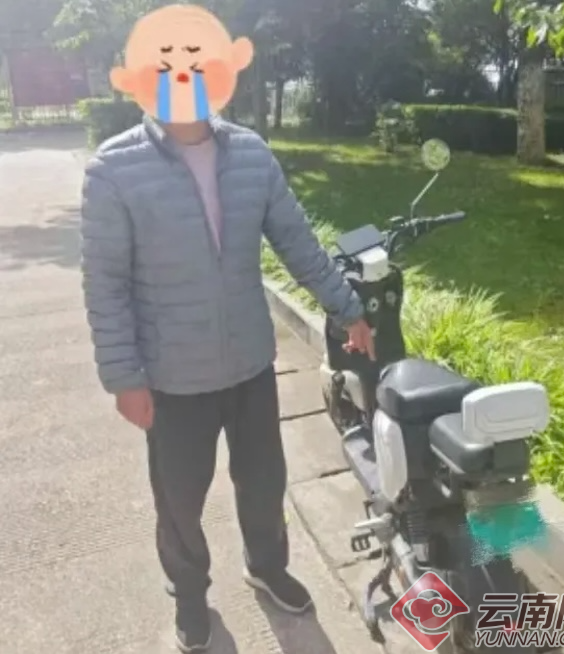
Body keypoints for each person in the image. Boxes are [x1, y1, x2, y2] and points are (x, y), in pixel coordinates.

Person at [80, 4, 374, 653]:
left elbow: (297, 242)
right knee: (179, 502)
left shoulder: (250, 154)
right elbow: (105, 284)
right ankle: (190, 597)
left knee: (264, 483)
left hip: (248, 363)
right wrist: (124, 378)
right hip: (172, 377)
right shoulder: (114, 168)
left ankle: (266, 567)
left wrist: (346, 307)